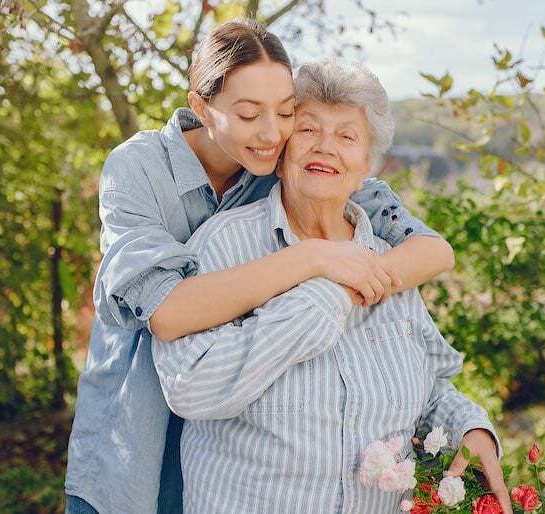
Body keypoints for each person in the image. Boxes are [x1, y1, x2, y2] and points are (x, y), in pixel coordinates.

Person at [64, 20, 457, 514]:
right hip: (134, 435)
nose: (272, 133)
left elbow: (432, 250)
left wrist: (353, 285)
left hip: (222, 445)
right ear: (202, 107)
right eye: (249, 114)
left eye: (287, 112)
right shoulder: (139, 168)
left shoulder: (285, 162)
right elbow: (167, 311)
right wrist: (314, 259)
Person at [151, 59, 512, 514]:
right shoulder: (224, 245)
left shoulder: (388, 260)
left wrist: (468, 428)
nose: (326, 147)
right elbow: (190, 389)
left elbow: (428, 388)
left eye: (347, 136)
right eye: (308, 131)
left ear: (366, 169)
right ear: (280, 153)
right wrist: (325, 295)